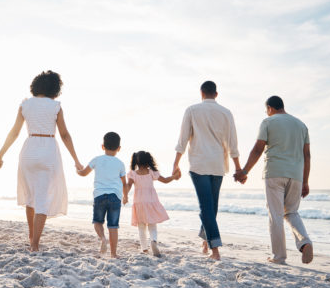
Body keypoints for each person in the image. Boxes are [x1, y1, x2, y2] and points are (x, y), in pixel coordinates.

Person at [0, 70, 83, 251]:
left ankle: (32, 236)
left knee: (30, 198)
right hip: (48, 149)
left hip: (29, 149)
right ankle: (34, 244)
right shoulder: (55, 106)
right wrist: (76, 160)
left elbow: (14, 132)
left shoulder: (25, 105)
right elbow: (64, 135)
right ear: (55, 88)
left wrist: (0, 155)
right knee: (42, 200)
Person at [234, 96, 313, 265]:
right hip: (296, 175)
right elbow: (307, 155)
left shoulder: (268, 122)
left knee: (275, 215)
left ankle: (279, 257)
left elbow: (258, 148)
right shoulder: (301, 125)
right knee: (291, 212)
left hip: (275, 173)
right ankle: (305, 242)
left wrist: (244, 172)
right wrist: (305, 181)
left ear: (270, 108)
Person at [173, 81, 241, 261]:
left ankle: (215, 248)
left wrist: (176, 164)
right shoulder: (226, 113)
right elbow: (233, 143)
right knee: (212, 206)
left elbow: (183, 139)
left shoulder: (192, 110)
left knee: (206, 207)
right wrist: (238, 167)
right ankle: (206, 242)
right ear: (216, 94)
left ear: (201, 93)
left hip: (199, 164)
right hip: (218, 165)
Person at [77, 132, 127, 258]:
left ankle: (103, 239)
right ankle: (114, 254)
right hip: (115, 196)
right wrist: (125, 196)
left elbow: (83, 173)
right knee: (113, 226)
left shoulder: (96, 160)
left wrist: (78, 169)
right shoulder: (120, 163)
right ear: (119, 148)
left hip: (99, 195)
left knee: (97, 222)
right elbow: (124, 183)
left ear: (102, 146)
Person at [127, 151, 180, 257]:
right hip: (151, 201)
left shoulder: (132, 173)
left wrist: (124, 196)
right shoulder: (151, 172)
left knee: (141, 226)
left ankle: (144, 249)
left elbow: (128, 186)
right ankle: (154, 241)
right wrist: (174, 177)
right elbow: (165, 180)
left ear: (136, 161)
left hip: (139, 203)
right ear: (148, 160)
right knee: (152, 224)